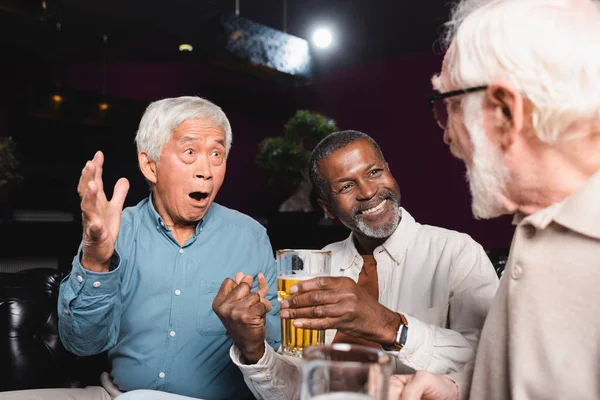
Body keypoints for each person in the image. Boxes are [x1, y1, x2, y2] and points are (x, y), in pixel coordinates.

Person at [0, 96, 280, 400]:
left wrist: (253, 340)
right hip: (118, 395)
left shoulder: (250, 237)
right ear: (150, 166)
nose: (206, 170)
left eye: (217, 154)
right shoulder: (114, 229)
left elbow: (279, 364)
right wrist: (95, 260)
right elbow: (83, 344)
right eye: (190, 152)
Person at [390, 0, 600, 399]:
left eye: (449, 106)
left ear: (505, 112)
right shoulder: (538, 222)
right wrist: (456, 388)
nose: (448, 135)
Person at [213, 130, 500, 399]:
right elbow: (297, 391)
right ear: (326, 207)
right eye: (347, 186)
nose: (367, 191)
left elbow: (495, 362)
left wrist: (391, 327)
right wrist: (253, 349)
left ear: (389, 171)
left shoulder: (456, 252)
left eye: (374, 172)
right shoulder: (322, 265)